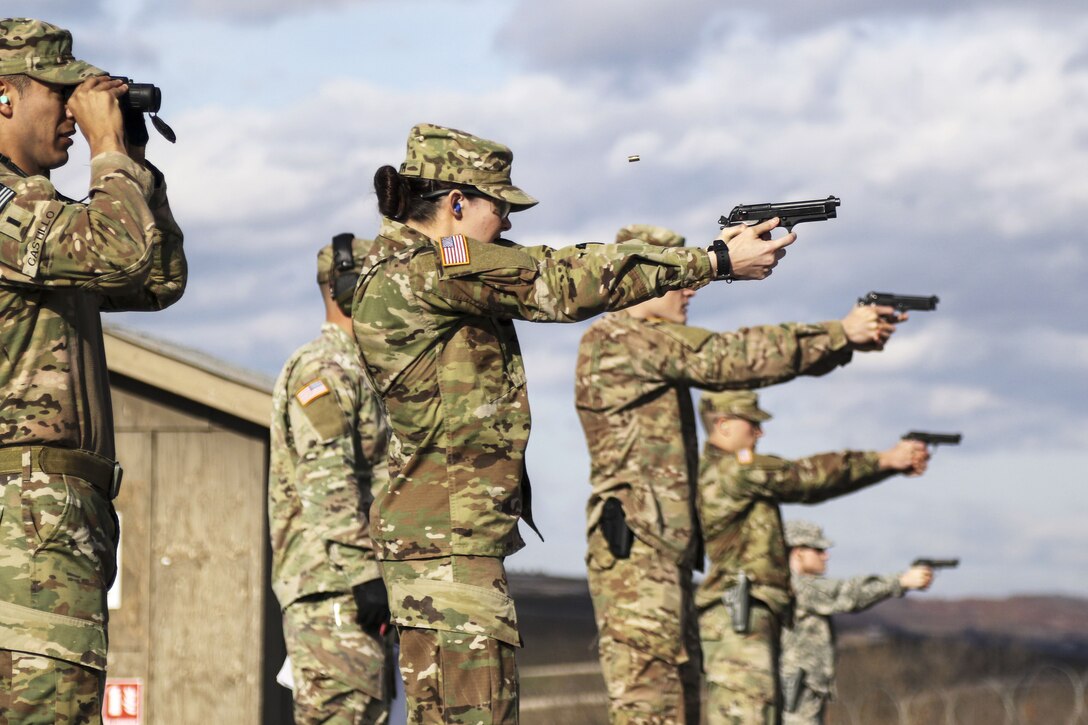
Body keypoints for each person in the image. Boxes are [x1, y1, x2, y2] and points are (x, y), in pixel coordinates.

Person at [349, 122, 795, 724]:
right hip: (449, 551)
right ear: (455, 202)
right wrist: (712, 260)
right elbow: (556, 279)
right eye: (498, 206)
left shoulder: (412, 268)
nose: (506, 224)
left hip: (438, 545)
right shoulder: (434, 269)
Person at [575, 224, 904, 725]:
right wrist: (839, 334)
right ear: (641, 280)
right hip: (639, 557)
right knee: (650, 708)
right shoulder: (617, 339)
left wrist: (841, 344)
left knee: (675, 705)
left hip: (661, 554)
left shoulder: (641, 345)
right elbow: (727, 358)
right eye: (675, 277)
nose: (690, 288)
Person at [0, 17, 186, 722]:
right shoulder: (9, 209)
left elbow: (157, 277)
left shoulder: (40, 217)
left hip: (46, 522)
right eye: (61, 93)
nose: (76, 115)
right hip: (25, 525)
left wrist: (132, 159)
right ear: (4, 96)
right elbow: (117, 252)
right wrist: (107, 153)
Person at [695, 391, 929, 724]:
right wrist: (886, 460)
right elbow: (807, 476)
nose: (760, 433)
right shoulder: (734, 471)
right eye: (753, 423)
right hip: (740, 619)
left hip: (746, 615)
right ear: (724, 424)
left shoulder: (720, 473)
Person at [268, 237, 395, 724]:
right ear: (347, 290)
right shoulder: (327, 368)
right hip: (336, 592)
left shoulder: (359, 370)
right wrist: (365, 576)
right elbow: (327, 481)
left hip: (349, 591)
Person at [779, 520, 933, 725]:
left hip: (800, 689)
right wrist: (900, 581)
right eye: (819, 550)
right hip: (796, 692)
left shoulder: (790, 585)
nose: (826, 555)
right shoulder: (799, 587)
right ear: (798, 552)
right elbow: (848, 593)